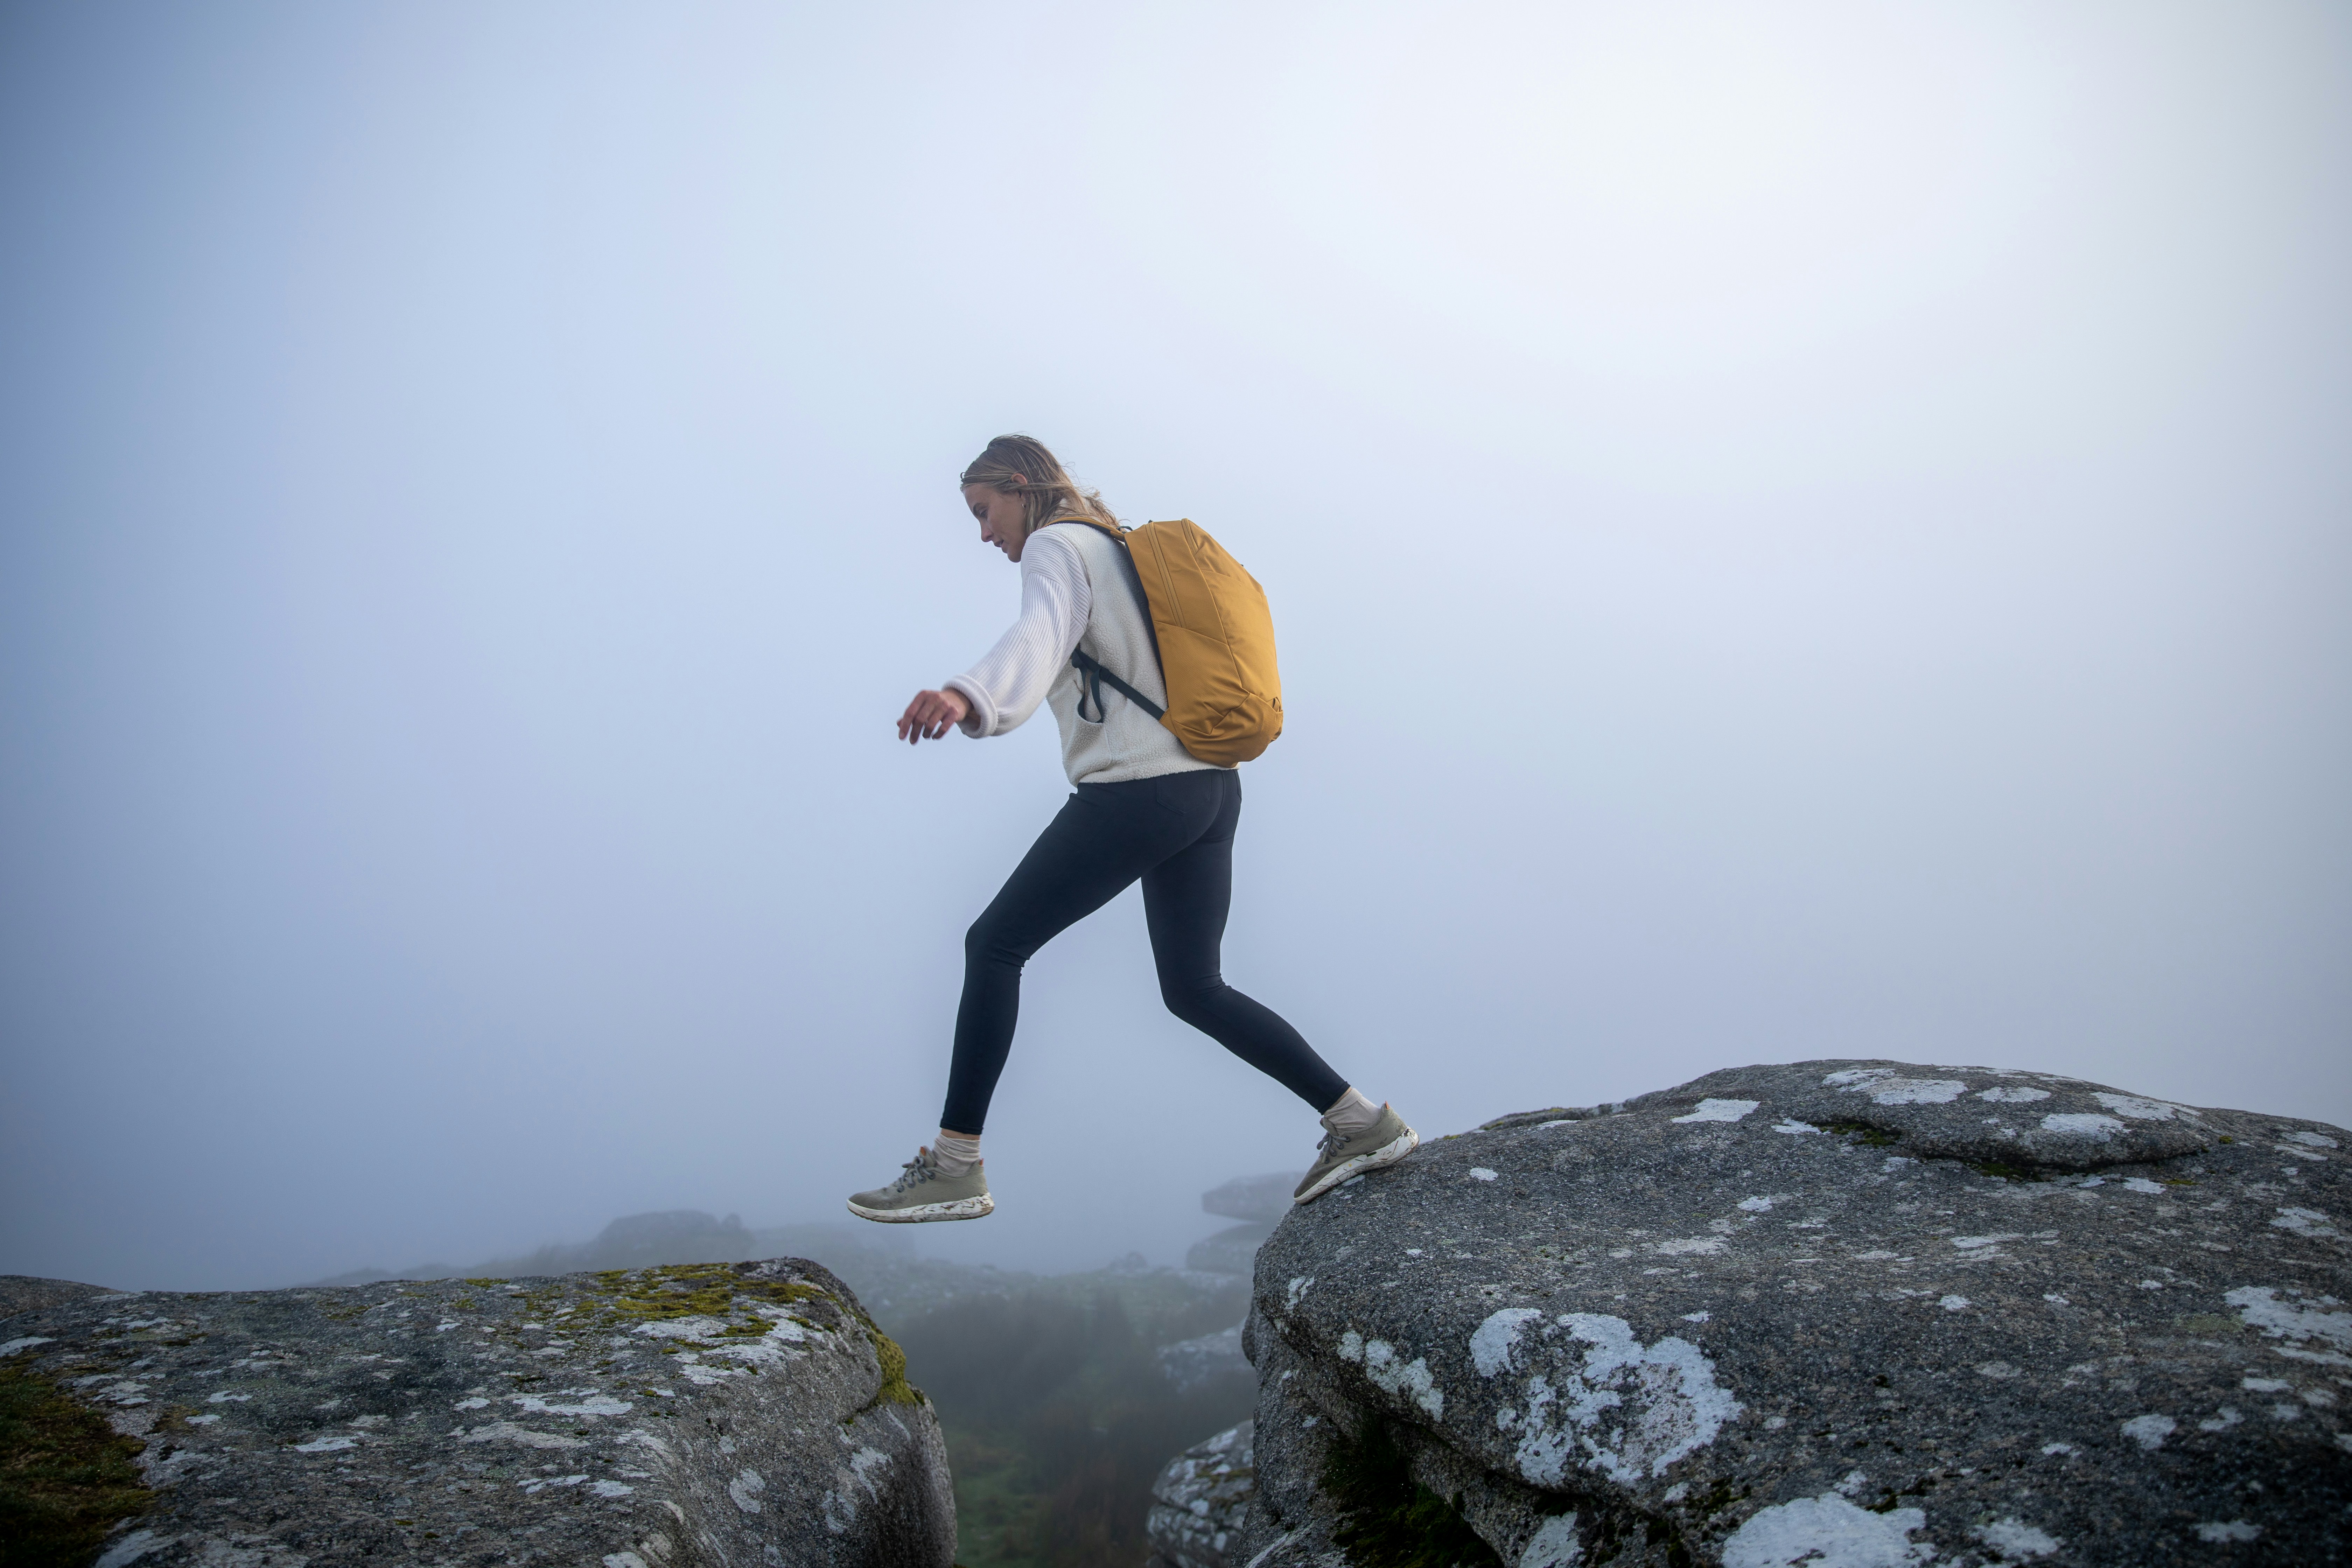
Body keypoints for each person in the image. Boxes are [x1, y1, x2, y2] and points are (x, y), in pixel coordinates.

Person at [846, 435, 1417, 1224]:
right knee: (1196, 988)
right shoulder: (1124, 551)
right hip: (1211, 790)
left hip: (1141, 791)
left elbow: (1039, 635)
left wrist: (966, 694)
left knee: (995, 944)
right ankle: (1361, 1121)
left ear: (1021, 486)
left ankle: (954, 1164)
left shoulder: (1057, 544)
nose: (986, 535)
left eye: (985, 512)